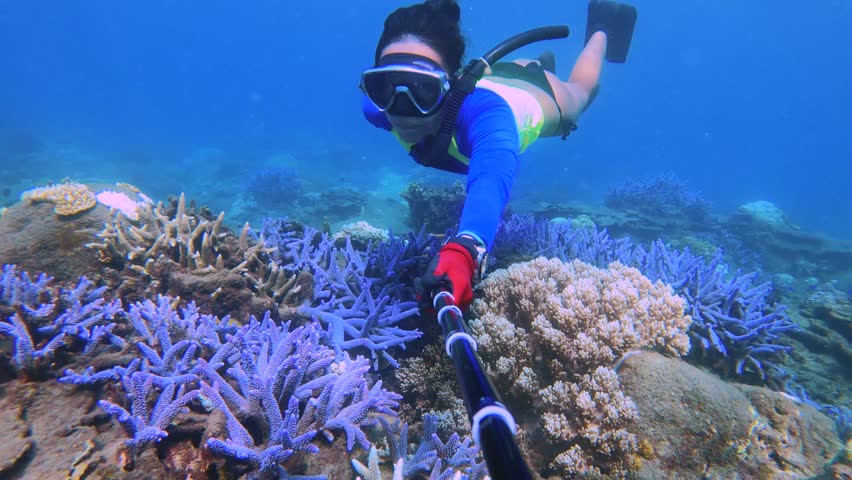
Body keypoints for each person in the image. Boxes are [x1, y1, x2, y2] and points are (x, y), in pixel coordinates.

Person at [360, 0, 637, 312]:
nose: (403, 109)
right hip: (494, 77)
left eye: (422, 90)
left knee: (581, 94)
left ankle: (600, 29)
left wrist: (467, 248)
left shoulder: (489, 119)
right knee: (516, 69)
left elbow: (491, 179)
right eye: (384, 87)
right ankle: (534, 64)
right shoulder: (376, 109)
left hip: (539, 96)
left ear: (451, 86)